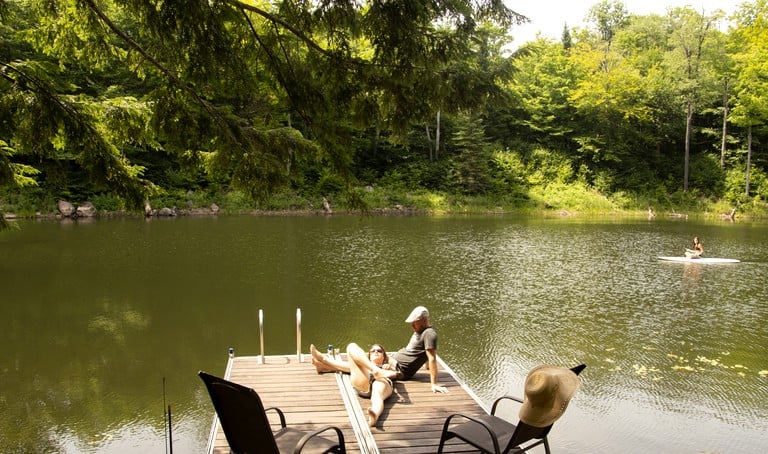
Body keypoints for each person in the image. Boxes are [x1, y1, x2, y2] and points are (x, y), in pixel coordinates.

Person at [310, 342, 395, 427]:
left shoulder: (387, 366)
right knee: (351, 346)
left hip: (381, 382)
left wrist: (389, 369)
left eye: (379, 351)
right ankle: (323, 362)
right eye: (373, 351)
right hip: (365, 379)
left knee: (377, 393)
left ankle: (375, 414)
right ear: (369, 356)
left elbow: (395, 374)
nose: (376, 352)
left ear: (383, 356)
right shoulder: (363, 367)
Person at [372, 306, 449, 394]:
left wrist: (434, 384)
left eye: (415, 322)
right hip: (391, 360)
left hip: (398, 368)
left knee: (363, 366)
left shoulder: (429, 334)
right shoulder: (421, 330)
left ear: (424, 320)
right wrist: (427, 366)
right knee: (364, 356)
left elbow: (432, 357)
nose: (412, 325)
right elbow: (425, 351)